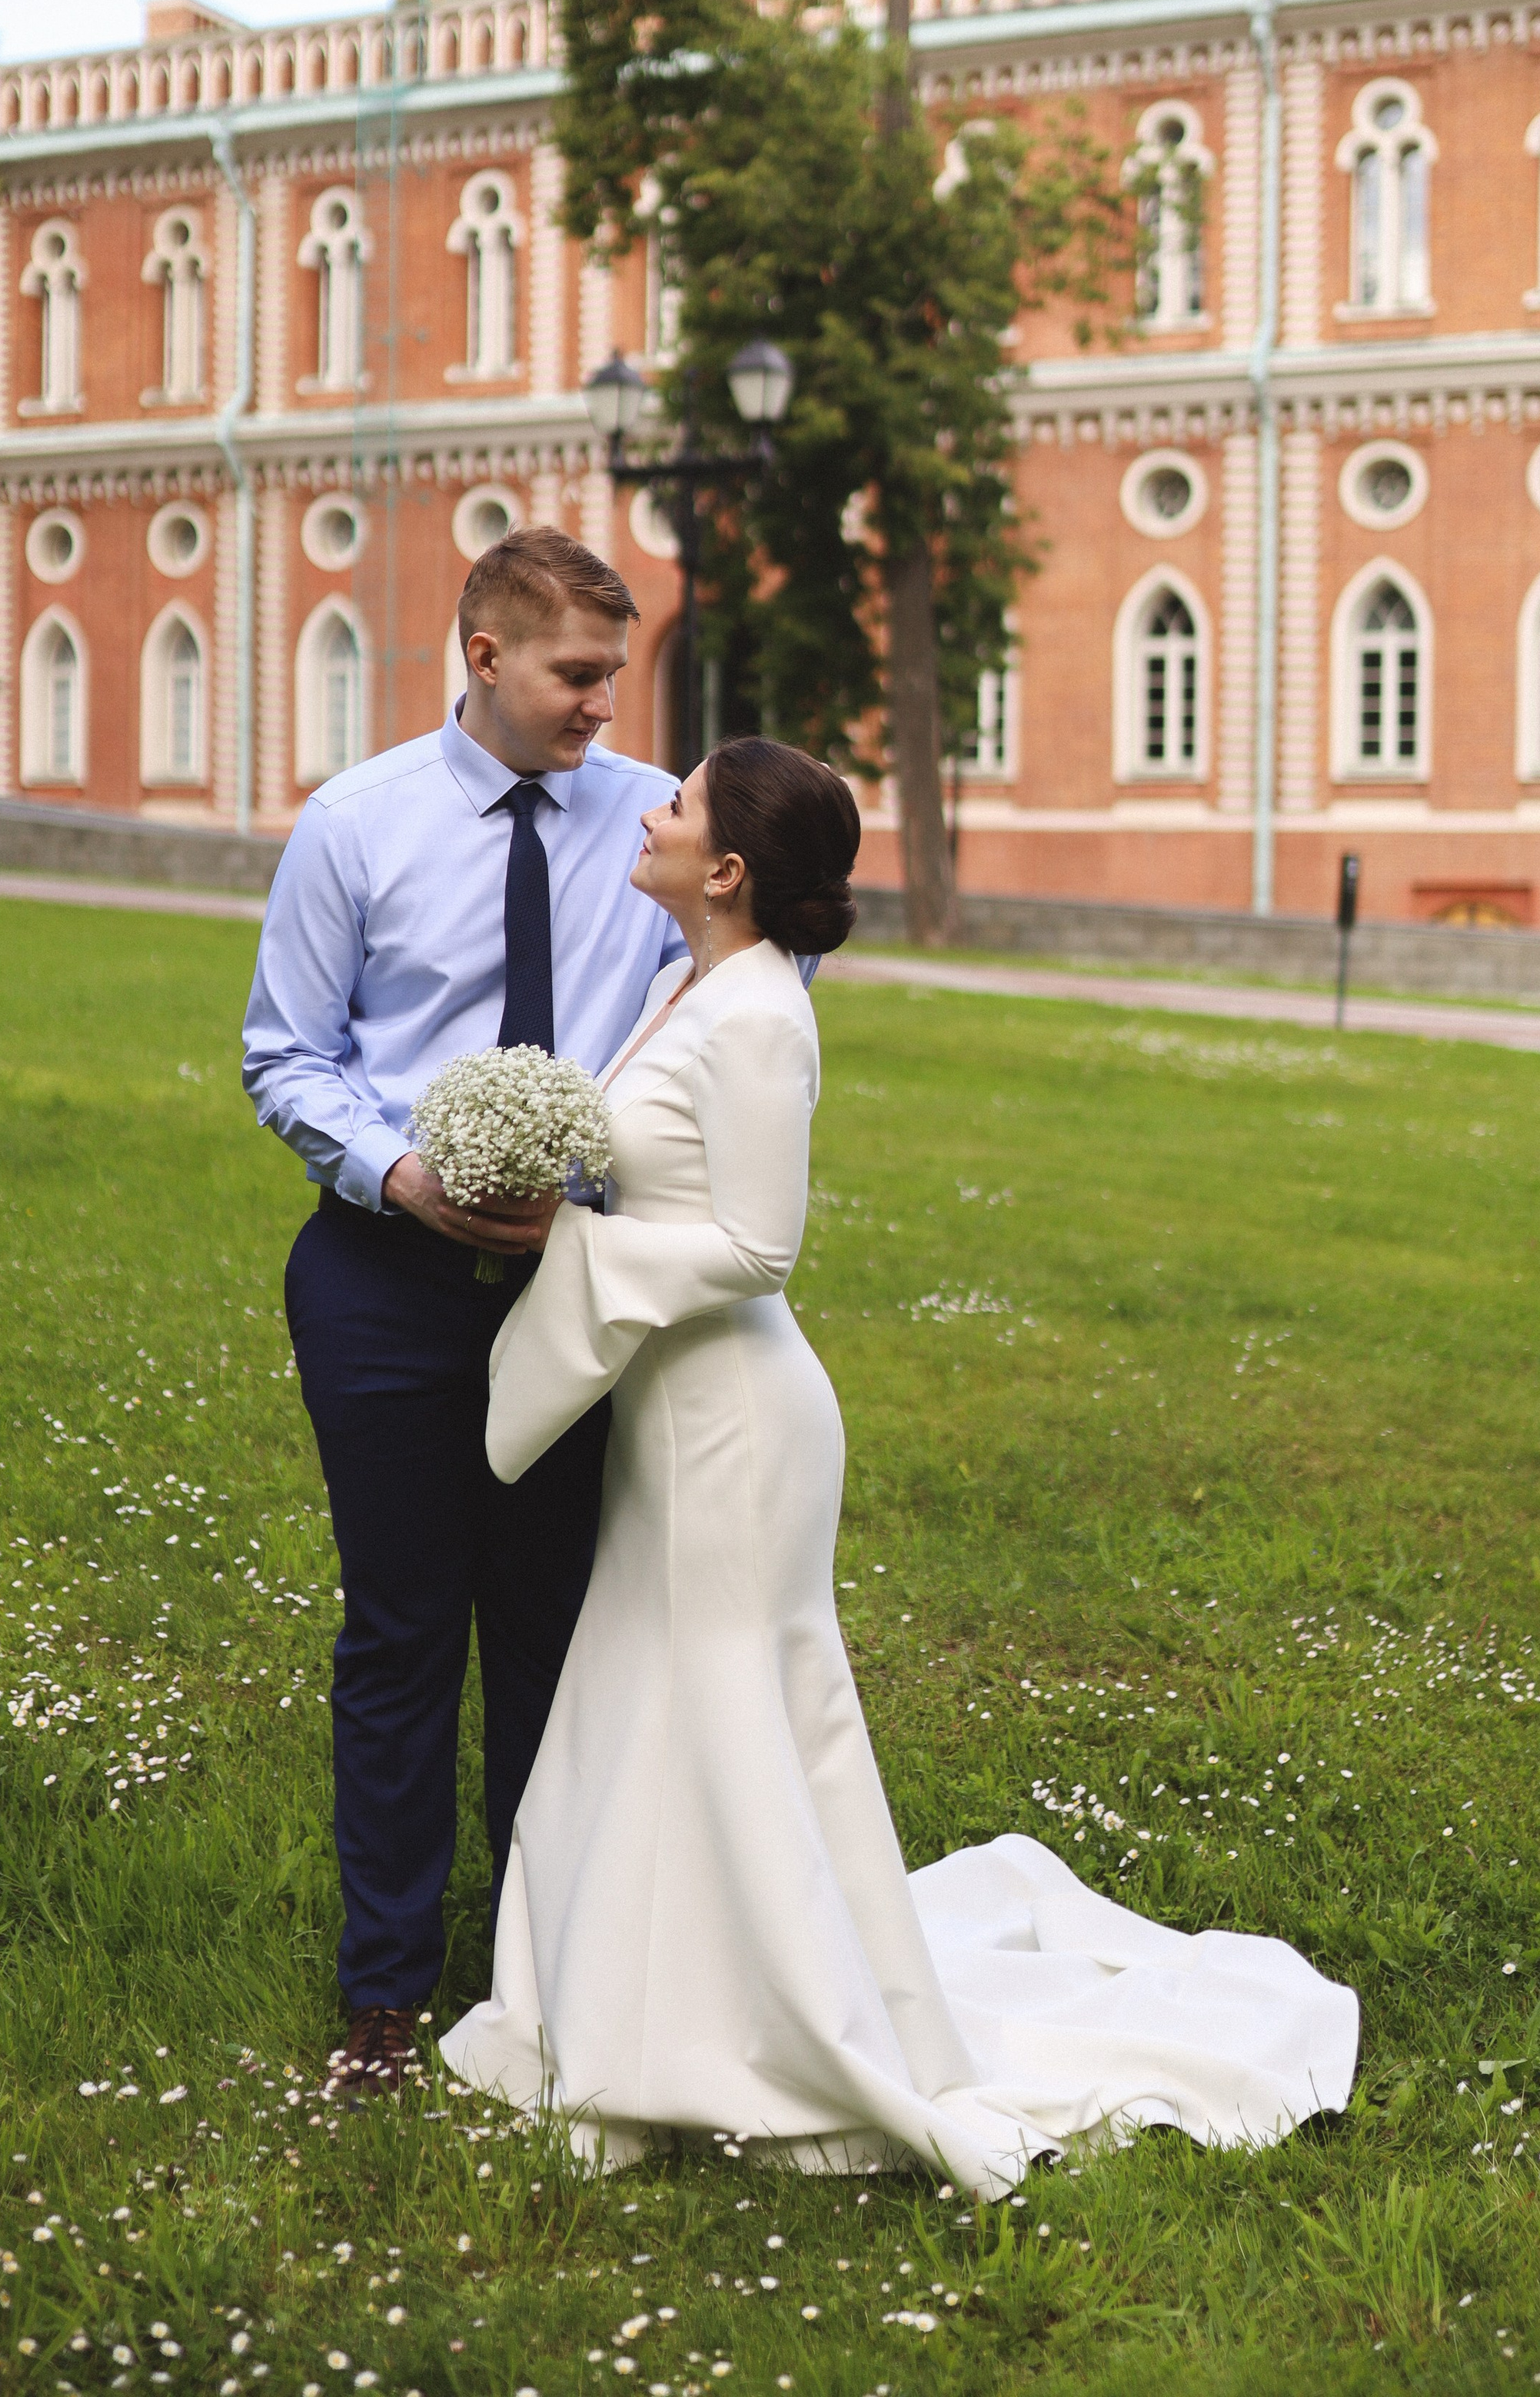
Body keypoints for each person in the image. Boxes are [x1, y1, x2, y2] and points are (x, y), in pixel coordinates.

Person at [442, 736, 1359, 2190]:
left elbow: (759, 1246)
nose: (651, 812)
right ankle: (638, 1995)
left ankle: (769, 2025)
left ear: (727, 869)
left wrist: (577, 1246)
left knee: (726, 1701)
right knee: (652, 1689)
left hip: (734, 1428)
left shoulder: (759, 1019)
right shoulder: (697, 985)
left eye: (675, 805)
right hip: (673, 1422)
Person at [241, 526, 683, 2093]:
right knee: (404, 1631)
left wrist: (617, 1190)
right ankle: (384, 1989)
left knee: (554, 1634)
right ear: (482, 656)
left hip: (580, 1294)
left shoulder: (661, 827)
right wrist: (399, 1174)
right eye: (575, 676)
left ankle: (539, 1981)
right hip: (383, 1287)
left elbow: (732, 1015)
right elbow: (284, 1053)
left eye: (611, 681)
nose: (600, 712)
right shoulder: (353, 826)